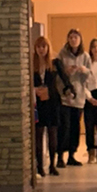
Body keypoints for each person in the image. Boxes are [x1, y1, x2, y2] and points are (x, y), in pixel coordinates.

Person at [55, 27, 91, 166]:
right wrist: (66, 71)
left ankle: (72, 155)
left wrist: (84, 70)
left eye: (76, 37)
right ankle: (60, 156)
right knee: (64, 127)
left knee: (75, 128)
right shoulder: (62, 54)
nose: (73, 40)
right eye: (71, 37)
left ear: (80, 39)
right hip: (65, 97)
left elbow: (90, 76)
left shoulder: (85, 56)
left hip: (79, 96)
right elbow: (56, 74)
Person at [33, 33, 61, 176]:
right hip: (38, 103)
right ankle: (39, 166)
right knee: (38, 134)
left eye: (44, 46)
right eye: (38, 47)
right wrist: (35, 90)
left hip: (52, 102)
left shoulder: (55, 63)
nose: (41, 49)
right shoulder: (32, 64)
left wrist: (68, 90)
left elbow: (63, 79)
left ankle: (52, 165)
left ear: (48, 48)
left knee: (52, 133)